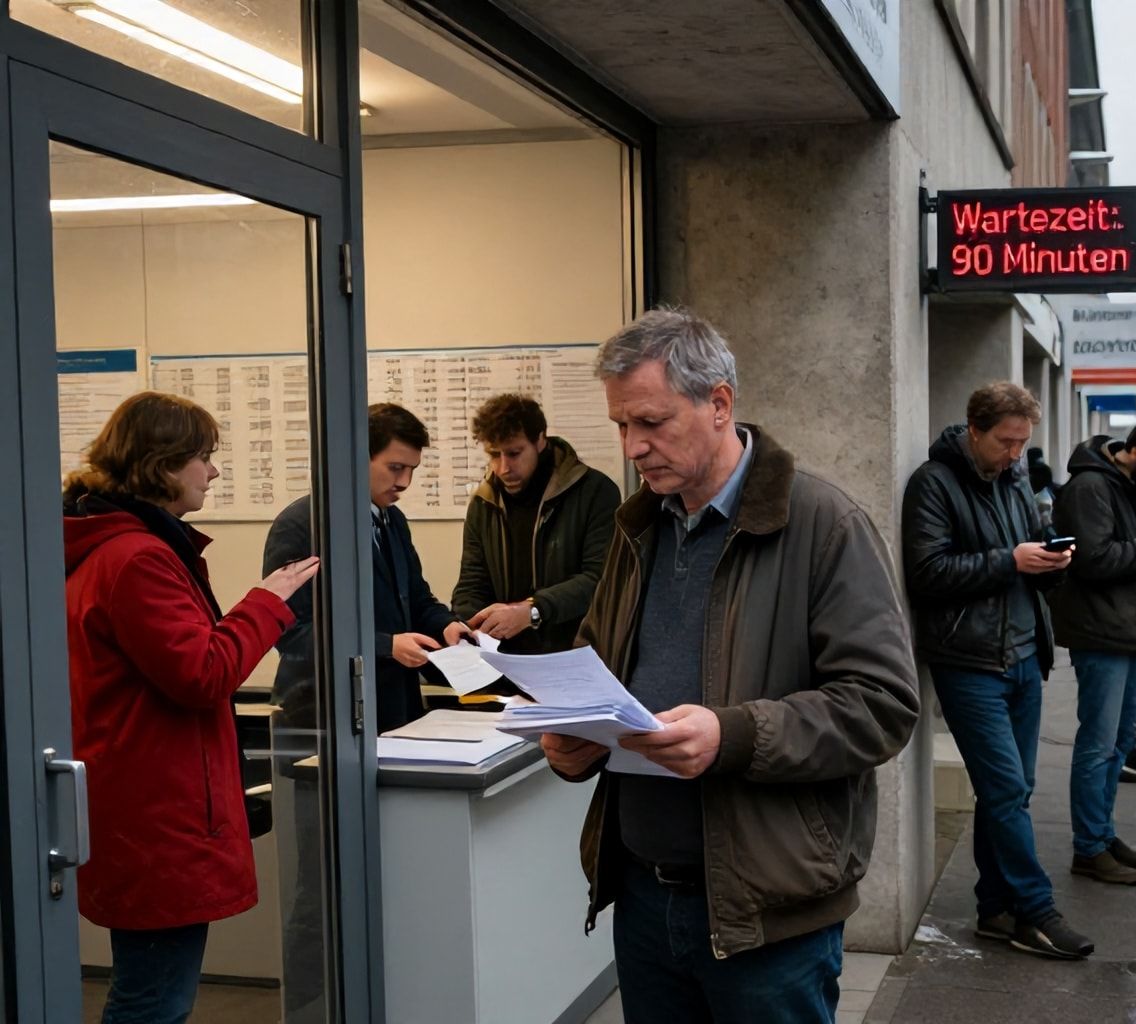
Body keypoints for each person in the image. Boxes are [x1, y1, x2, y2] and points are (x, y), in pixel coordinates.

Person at [538, 308, 919, 1023]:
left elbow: (882, 706)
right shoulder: (638, 528)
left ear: (719, 403)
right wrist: (573, 742)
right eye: (622, 426)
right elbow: (600, 666)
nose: (633, 447)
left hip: (767, 911)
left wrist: (731, 735)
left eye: (651, 422)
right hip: (645, 894)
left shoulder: (823, 525)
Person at [63, 391, 319, 1024]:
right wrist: (265, 602)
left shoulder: (117, 547)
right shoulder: (138, 558)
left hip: (142, 801)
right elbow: (203, 672)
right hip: (159, 812)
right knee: (153, 1002)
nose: (214, 471)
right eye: (204, 457)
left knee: (147, 990)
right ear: (163, 463)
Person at [901, 383, 1092, 960]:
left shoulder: (1013, 478)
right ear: (974, 430)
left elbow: (1029, 549)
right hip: (969, 661)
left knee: (1012, 790)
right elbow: (928, 571)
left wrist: (1051, 563)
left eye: (1023, 444)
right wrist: (1010, 561)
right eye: (1006, 443)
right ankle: (1035, 910)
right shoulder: (932, 484)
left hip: (1023, 654)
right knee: (1006, 788)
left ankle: (994, 909)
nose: (1016, 455)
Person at [265, 403, 469, 733]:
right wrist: (385, 646)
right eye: (395, 467)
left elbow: (415, 599)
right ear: (358, 456)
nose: (404, 482)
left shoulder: (392, 520)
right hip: (327, 717)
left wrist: (446, 625)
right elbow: (292, 633)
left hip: (394, 708)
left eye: (412, 469)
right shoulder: (304, 524)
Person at [1048, 417, 1136, 886]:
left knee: (1118, 745)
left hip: (1125, 631)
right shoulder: (1091, 487)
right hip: (1100, 632)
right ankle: (1088, 848)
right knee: (1098, 745)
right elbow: (1095, 560)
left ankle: (1103, 836)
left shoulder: (1125, 485)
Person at [453, 393, 621, 654]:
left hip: (574, 654)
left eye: (514, 453)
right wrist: (471, 626)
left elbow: (600, 579)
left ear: (540, 440)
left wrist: (533, 609)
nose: (502, 468)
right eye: (494, 455)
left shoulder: (595, 492)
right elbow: (471, 583)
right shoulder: (483, 502)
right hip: (503, 660)